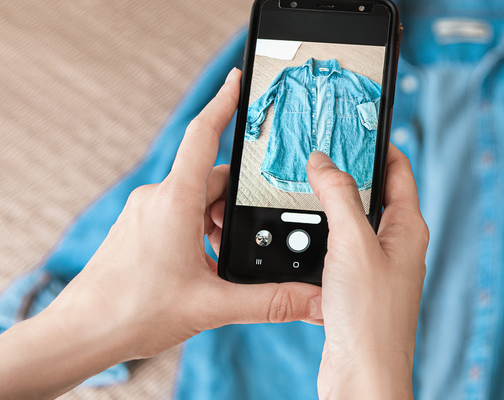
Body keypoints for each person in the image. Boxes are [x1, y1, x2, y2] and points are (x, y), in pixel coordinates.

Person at [0, 68, 429, 400]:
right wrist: (373, 373)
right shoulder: (287, 71)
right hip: (280, 176)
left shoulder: (355, 78)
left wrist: (70, 331)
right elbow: (230, 125)